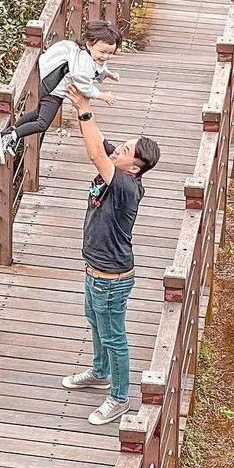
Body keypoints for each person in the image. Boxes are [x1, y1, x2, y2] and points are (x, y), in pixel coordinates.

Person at [61, 82, 160, 426]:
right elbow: (100, 142)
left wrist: (85, 111)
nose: (118, 148)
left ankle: (119, 398)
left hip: (111, 279)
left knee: (114, 337)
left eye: (126, 149)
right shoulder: (120, 169)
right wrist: (82, 106)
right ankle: (100, 372)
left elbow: (95, 154)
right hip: (94, 271)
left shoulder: (124, 184)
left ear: (135, 167)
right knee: (94, 322)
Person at [0, 20, 122, 165]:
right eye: (102, 52)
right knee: (42, 124)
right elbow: (84, 87)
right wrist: (102, 95)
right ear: (89, 44)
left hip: (50, 86)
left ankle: (10, 133)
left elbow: (98, 68)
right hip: (53, 91)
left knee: (37, 114)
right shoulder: (83, 63)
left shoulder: (89, 54)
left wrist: (108, 74)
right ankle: (11, 136)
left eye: (110, 53)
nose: (105, 57)